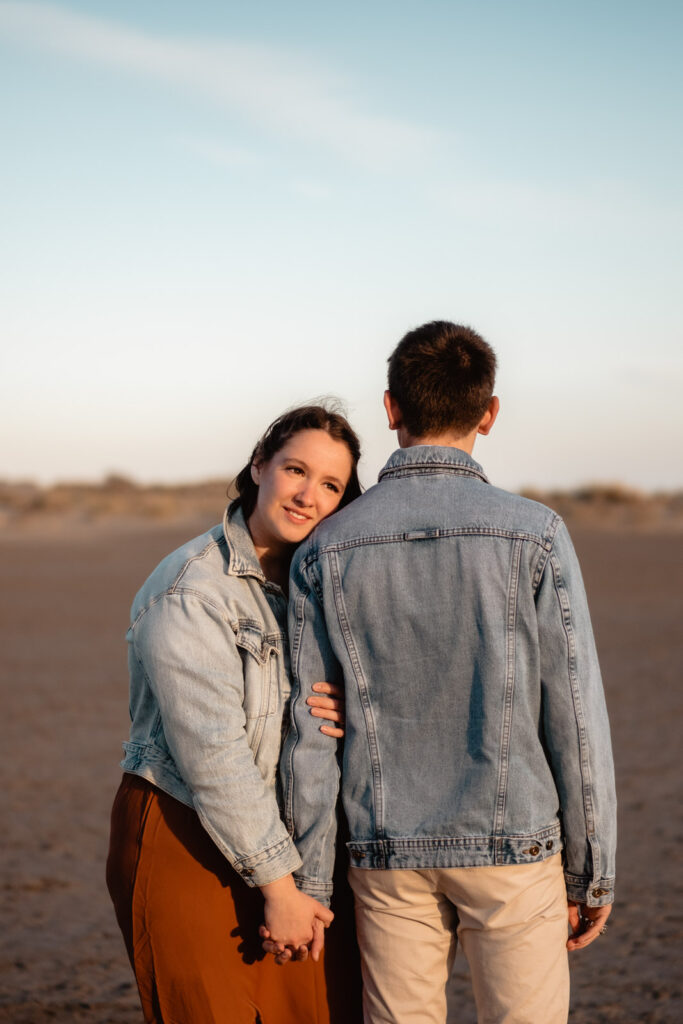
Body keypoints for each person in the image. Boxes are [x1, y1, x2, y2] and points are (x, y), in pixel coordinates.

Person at [277, 323, 617, 1023]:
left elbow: (309, 727)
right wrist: (592, 868)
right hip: (514, 847)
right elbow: (574, 713)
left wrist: (311, 877)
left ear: (389, 407)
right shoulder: (535, 533)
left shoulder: (326, 546)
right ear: (487, 413)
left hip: (384, 848)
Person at [106, 404, 364, 1024]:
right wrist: (280, 889)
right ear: (259, 466)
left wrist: (353, 708)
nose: (308, 495)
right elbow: (214, 754)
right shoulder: (193, 590)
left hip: (295, 840)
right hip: (187, 830)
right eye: (295, 470)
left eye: (330, 484)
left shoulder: (326, 588)